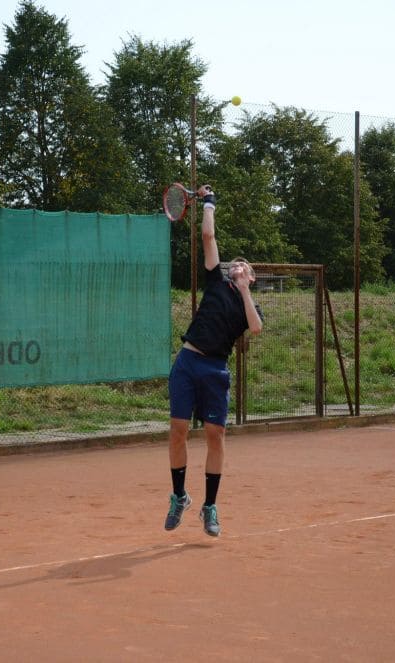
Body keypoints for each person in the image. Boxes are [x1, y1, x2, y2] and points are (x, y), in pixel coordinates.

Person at [164, 184, 263, 537]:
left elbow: (255, 329)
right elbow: (208, 236)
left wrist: (247, 289)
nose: (238, 265)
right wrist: (208, 203)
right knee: (177, 431)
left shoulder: (248, 303)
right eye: (235, 263)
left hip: (215, 370)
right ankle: (179, 497)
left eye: (245, 267)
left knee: (215, 436)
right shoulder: (216, 281)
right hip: (188, 362)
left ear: (251, 278)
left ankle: (209, 506)